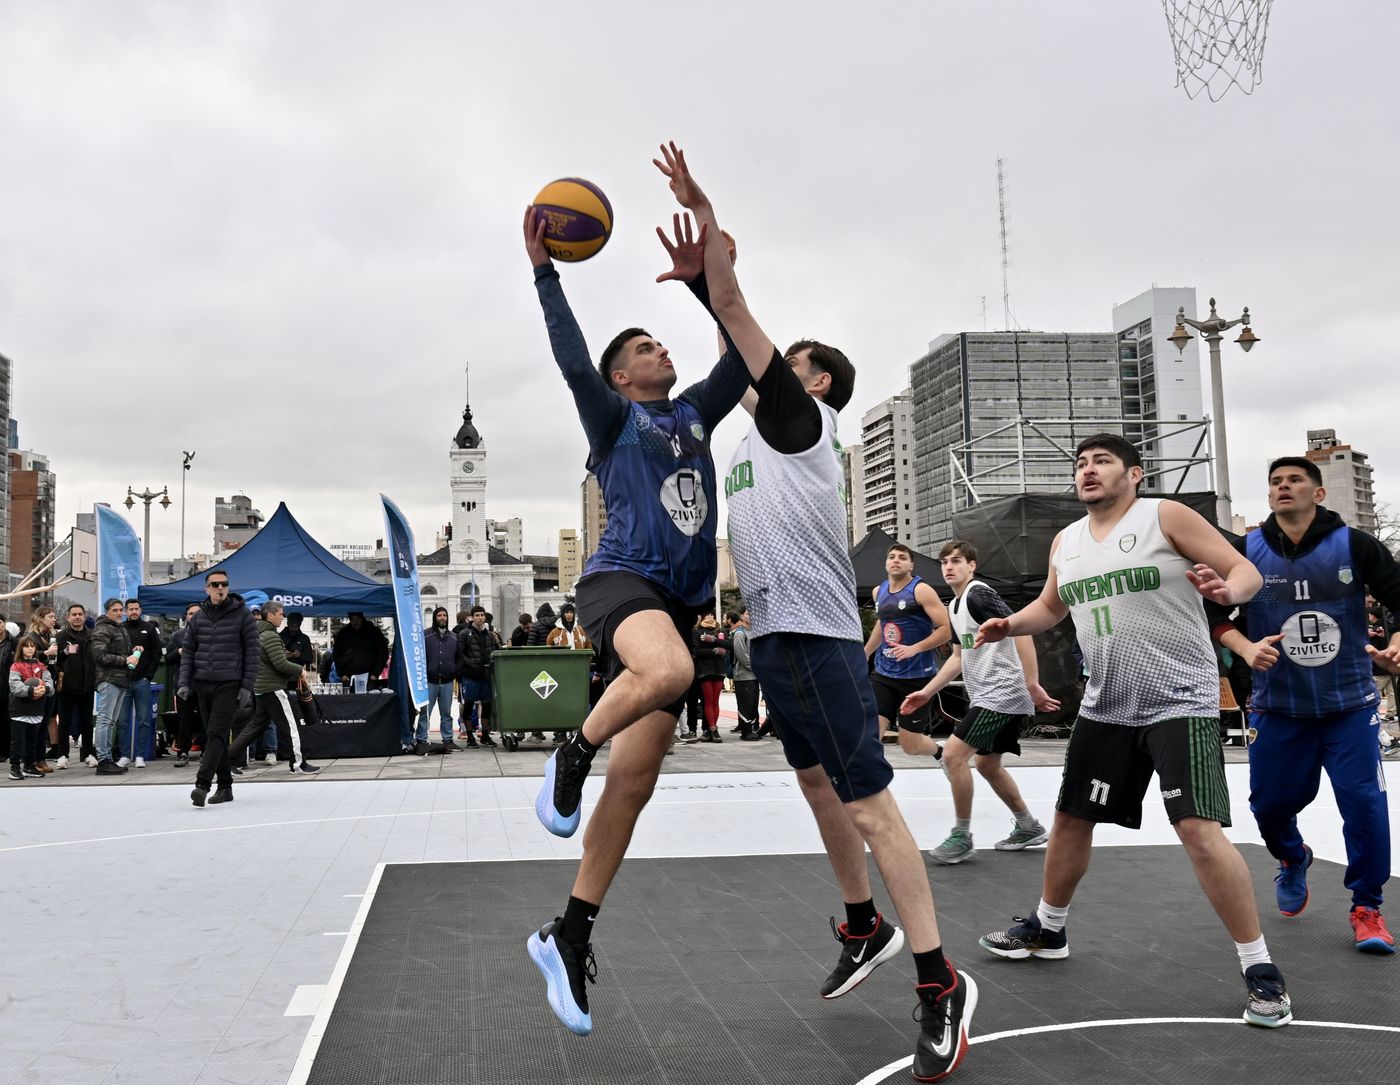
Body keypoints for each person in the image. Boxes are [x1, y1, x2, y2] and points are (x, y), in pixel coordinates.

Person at [661, 141, 974, 1080]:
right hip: (777, 639)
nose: (761, 374)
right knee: (814, 786)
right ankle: (863, 920)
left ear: (818, 382)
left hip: (821, 637)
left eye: (785, 366)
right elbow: (733, 342)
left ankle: (937, 982)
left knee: (873, 807)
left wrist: (714, 235)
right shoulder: (752, 429)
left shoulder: (803, 428)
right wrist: (703, 281)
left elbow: (743, 326)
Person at [522, 195, 749, 1039]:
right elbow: (573, 359)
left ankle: (567, 932)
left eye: (662, 343)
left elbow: (741, 357)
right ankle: (569, 751)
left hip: (682, 604)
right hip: (621, 583)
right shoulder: (614, 416)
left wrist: (709, 278)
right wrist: (545, 271)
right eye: (645, 346)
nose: (662, 350)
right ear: (623, 375)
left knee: (639, 782)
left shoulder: (692, 414)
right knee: (670, 672)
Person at [971, 433, 1293, 1027]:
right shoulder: (1066, 541)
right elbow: (1051, 607)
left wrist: (1232, 591)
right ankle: (1049, 929)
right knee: (1070, 820)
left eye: (1102, 462)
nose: (1088, 471)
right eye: (1081, 464)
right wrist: (1008, 623)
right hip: (1107, 705)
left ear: (1135, 474)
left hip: (1180, 700)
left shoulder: (1164, 516)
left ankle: (1260, 969)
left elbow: (1242, 569)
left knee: (1197, 830)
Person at [1208, 456, 1400, 955]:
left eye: (1294, 480)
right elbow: (1211, 613)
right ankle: (1293, 858)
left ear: (1318, 493)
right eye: (1275, 482)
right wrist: (1246, 647)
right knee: (1269, 807)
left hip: (1349, 705)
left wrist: (1397, 639)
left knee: (1364, 805)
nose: (1283, 487)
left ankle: (1367, 906)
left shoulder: (1354, 546)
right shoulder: (1244, 551)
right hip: (1279, 707)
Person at [898, 541, 1058, 864]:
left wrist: (1031, 683)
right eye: (944, 562)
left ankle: (962, 835)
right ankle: (1028, 826)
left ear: (972, 565)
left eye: (956, 560)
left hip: (1002, 693)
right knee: (986, 764)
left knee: (953, 757)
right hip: (989, 695)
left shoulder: (978, 594)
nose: (948, 566)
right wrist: (927, 692)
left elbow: (1020, 631)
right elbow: (958, 658)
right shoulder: (955, 606)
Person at [178, 571, 258, 807]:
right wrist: (184, 682)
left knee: (215, 734)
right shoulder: (199, 617)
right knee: (217, 736)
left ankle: (202, 784)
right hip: (203, 683)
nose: (220, 588)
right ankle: (225, 786)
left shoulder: (242, 615)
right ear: (207, 588)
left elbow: (253, 653)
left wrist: (246, 686)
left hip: (229, 683)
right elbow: (188, 652)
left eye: (224, 584)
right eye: (215, 584)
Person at [866, 544, 950, 743]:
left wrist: (915, 648)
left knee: (910, 744)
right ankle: (868, 773)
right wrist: (866, 651)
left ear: (911, 565)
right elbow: (882, 623)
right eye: (892, 557)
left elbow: (946, 630)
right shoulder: (879, 591)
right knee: (871, 732)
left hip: (917, 677)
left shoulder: (921, 590)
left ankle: (939, 751)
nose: (896, 560)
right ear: (886, 564)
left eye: (902, 557)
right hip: (884, 673)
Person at [229, 599, 320, 775]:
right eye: (280, 614)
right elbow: (280, 664)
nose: (283, 618)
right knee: (290, 727)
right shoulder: (270, 635)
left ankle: (226, 759)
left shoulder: (257, 633)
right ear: (270, 615)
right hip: (274, 688)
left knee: (254, 727)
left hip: (262, 687)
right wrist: (299, 669)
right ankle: (298, 764)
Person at [89, 599, 136, 776]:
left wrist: (133, 653)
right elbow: (100, 656)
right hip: (108, 679)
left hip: (121, 679)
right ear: (107, 611)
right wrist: (125, 660)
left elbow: (121, 653)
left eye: (120, 610)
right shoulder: (103, 628)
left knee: (110, 721)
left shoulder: (120, 628)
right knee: (105, 720)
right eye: (115, 610)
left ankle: (107, 758)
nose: (119, 613)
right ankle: (103, 759)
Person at [117, 599, 162, 768]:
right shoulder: (120, 628)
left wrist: (148, 676)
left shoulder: (149, 628)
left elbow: (157, 653)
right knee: (122, 721)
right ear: (125, 612)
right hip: (123, 681)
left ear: (140, 610)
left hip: (142, 682)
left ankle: (140, 755)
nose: (133, 612)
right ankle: (124, 755)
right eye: (130, 609)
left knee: (144, 719)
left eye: (136, 609)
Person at [53, 604, 95, 769]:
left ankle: (89, 754)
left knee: (87, 722)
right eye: (74, 614)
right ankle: (63, 755)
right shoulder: (61, 636)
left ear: (84, 616)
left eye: (80, 614)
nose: (77, 617)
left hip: (87, 685)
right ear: (68, 617)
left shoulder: (92, 635)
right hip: (67, 686)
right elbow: (54, 660)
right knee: (64, 722)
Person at [8, 636, 53, 781]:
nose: (30, 649)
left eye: (32, 646)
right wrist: (31, 691)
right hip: (19, 710)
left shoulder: (42, 666)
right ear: (21, 648)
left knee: (32, 740)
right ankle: (14, 768)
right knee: (18, 741)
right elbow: (15, 686)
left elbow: (49, 683)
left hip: (36, 709)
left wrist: (44, 689)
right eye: (26, 646)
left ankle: (29, 766)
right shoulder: (16, 666)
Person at [166, 602, 206, 768]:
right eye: (190, 613)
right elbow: (168, 658)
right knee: (184, 720)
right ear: (186, 616)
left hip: (205, 683)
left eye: (197, 613)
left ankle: (206, 751)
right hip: (184, 684)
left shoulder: (210, 634)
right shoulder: (178, 636)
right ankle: (183, 751)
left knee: (206, 719)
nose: (194, 616)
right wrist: (178, 652)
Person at [421, 606, 462, 751]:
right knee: (425, 713)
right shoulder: (425, 636)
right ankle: (421, 739)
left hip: (447, 681)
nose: (442, 618)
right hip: (429, 681)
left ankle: (448, 739)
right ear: (435, 618)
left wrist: (454, 671)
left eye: (444, 615)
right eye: (439, 615)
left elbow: (458, 658)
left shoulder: (454, 637)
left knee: (446, 713)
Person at [458, 605, 497, 750]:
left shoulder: (489, 634)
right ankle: (469, 736)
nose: (480, 618)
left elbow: (493, 652)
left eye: (482, 615)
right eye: (477, 615)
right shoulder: (464, 633)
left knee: (486, 706)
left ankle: (485, 735)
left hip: (485, 676)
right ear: (472, 617)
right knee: (469, 706)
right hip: (471, 676)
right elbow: (461, 654)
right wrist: (471, 666)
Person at [26, 607, 59, 773]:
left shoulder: (50, 636)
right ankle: (32, 760)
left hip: (50, 684)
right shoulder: (30, 637)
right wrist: (46, 652)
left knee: (45, 722)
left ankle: (40, 758)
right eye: (50, 617)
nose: (54, 619)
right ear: (40, 618)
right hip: (36, 684)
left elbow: (54, 658)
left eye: (54, 616)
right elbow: (26, 656)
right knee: (36, 724)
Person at [687, 613, 728, 742]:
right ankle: (712, 729)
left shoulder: (720, 632)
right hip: (704, 670)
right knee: (708, 701)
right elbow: (697, 651)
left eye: (712, 615)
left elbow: (729, 646)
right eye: (707, 616)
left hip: (719, 670)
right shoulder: (697, 632)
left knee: (715, 701)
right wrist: (714, 651)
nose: (710, 618)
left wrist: (716, 641)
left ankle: (712, 729)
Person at [727, 610, 760, 741]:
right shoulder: (740, 634)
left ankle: (751, 729)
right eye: (747, 613)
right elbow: (741, 655)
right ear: (741, 616)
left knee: (753, 703)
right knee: (746, 703)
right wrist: (754, 667)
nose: (750, 615)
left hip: (754, 675)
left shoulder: (754, 632)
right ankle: (746, 731)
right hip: (743, 674)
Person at [333, 612, 389, 689]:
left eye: (357, 619)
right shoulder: (343, 633)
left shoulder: (373, 632)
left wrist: (376, 673)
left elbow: (383, 653)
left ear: (362, 618)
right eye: (353, 619)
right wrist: (341, 674)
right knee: (349, 700)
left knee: (370, 700)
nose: (355, 622)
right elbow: (336, 654)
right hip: (348, 677)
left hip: (369, 676)